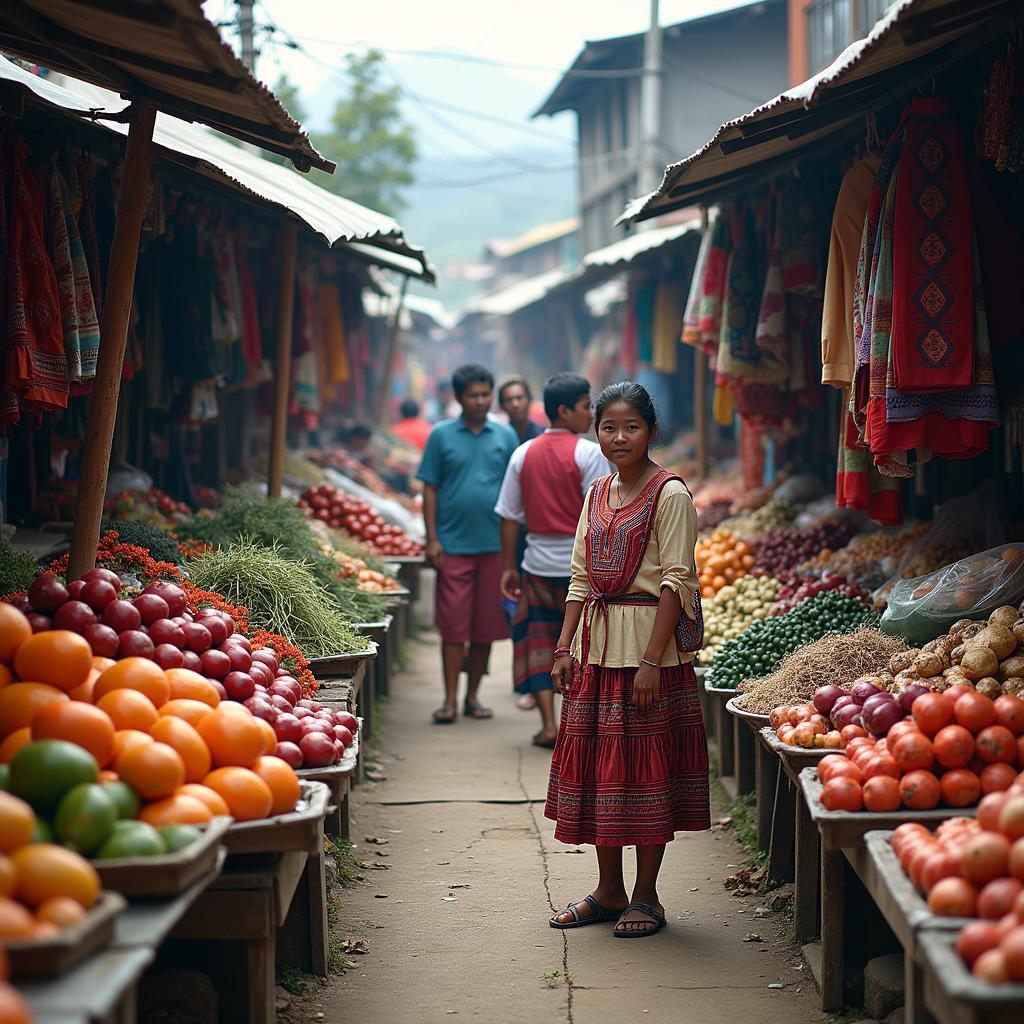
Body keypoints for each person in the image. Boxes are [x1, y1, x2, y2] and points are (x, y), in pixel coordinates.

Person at [545, 381, 709, 939]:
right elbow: (580, 577)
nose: (620, 437)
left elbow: (676, 582)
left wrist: (649, 661)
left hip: (648, 656)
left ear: (652, 432)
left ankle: (647, 895)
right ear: (596, 432)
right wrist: (564, 647)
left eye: (631, 427)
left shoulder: (671, 495)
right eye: (609, 427)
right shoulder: (596, 493)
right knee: (600, 776)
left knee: (646, 774)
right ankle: (609, 890)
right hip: (595, 649)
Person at [495, 373, 609, 749]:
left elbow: (509, 515)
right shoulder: (589, 453)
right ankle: (578, 727)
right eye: (585, 406)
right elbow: (602, 515)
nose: (590, 414)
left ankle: (549, 725)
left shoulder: (522, 453)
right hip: (582, 570)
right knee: (583, 646)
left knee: (541, 644)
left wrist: (510, 566)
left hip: (536, 565)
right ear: (564, 410)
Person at [417, 364, 518, 725]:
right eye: (472, 395)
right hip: (453, 546)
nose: (479, 401)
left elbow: (514, 489)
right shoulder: (441, 435)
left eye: (484, 394)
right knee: (454, 625)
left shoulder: (505, 435)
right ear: (458, 397)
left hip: (494, 546)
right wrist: (432, 538)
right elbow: (430, 487)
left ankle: (473, 697)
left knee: (485, 627)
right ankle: (448, 700)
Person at [498, 377, 543, 445]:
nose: (515, 404)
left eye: (519, 398)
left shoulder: (542, 435)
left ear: (529, 400)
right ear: (502, 405)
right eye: (509, 400)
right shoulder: (499, 439)